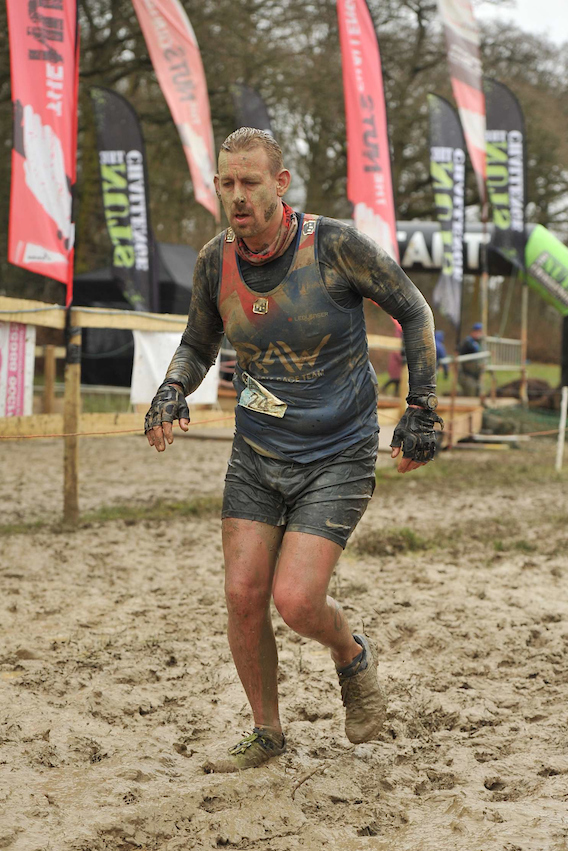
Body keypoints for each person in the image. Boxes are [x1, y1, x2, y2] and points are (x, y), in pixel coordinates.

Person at [145, 128, 441, 770]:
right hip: (257, 452)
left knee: (298, 601)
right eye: (227, 183)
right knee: (244, 594)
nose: (238, 196)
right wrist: (171, 390)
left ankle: (350, 653)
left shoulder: (334, 246)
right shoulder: (213, 261)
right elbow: (199, 343)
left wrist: (421, 409)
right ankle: (267, 733)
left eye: (251, 182)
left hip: (337, 452)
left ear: (281, 184)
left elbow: (414, 311)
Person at [458, 323, 486, 396]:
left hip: (474, 374)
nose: (480, 334)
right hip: (466, 374)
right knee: (471, 390)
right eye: (478, 332)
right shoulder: (468, 341)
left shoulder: (477, 342)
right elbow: (474, 349)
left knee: (477, 390)